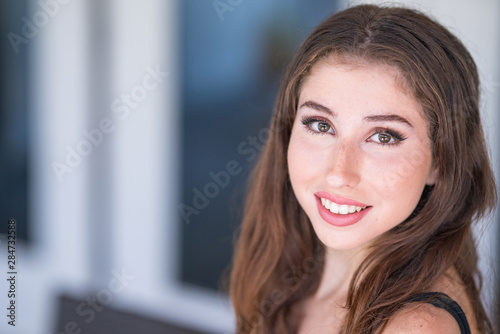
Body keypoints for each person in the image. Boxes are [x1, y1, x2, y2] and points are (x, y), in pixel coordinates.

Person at [229, 4, 497, 334]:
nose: (339, 172)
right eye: (320, 125)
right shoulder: (287, 266)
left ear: (440, 162)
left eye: (383, 136)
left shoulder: (416, 327)